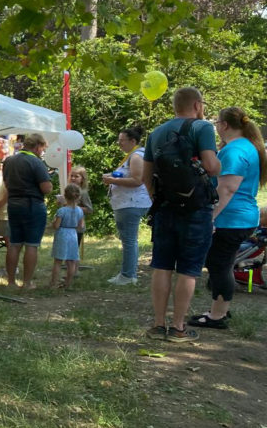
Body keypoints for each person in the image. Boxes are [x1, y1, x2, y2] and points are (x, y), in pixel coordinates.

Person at [143, 87, 220, 342]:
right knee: (188, 269)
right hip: (196, 209)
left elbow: (146, 177)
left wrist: (161, 198)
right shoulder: (202, 128)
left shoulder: (156, 133)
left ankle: (157, 325)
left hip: (165, 208)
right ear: (197, 104)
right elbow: (210, 166)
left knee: (162, 266)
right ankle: (178, 328)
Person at [189, 107, 267, 330]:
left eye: (216, 123)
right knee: (221, 263)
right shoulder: (245, 146)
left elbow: (227, 189)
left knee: (219, 265)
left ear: (224, 125)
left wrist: (211, 218)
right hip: (239, 217)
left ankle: (218, 315)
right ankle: (220, 309)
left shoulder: (235, 151)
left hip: (231, 218)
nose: (215, 127)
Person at [101, 126, 153, 285]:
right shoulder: (133, 156)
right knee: (128, 239)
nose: (119, 143)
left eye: (122, 140)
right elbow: (128, 175)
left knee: (129, 240)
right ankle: (128, 273)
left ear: (133, 141)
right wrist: (113, 176)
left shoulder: (136, 157)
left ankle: (128, 275)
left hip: (131, 203)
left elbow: (137, 181)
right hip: (127, 203)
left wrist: (112, 180)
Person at [2, 133, 53, 289]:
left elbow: (6, 183)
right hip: (32, 204)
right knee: (31, 244)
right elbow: (46, 188)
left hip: (13, 204)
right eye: (42, 148)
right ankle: (27, 282)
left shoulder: (9, 161)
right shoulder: (36, 162)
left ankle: (10, 281)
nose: (42, 152)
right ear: (37, 146)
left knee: (14, 243)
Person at [50, 183, 85, 288]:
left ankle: (53, 283)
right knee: (71, 261)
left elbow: (56, 226)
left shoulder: (62, 210)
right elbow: (81, 226)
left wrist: (52, 222)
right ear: (78, 196)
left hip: (62, 234)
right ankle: (68, 283)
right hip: (73, 235)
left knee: (58, 261)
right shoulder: (80, 210)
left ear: (65, 196)